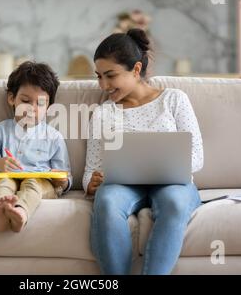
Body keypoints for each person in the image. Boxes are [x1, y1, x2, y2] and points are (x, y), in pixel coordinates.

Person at [83, 28, 204, 275]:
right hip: (122, 185)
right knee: (106, 202)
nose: (103, 85)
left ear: (136, 70)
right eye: (98, 77)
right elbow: (90, 169)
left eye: (110, 75)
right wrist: (91, 182)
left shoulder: (174, 99)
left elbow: (197, 156)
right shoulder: (104, 112)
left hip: (171, 183)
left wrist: (166, 167)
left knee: (174, 203)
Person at [0, 61, 72, 233]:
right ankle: (0, 215)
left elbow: (64, 175)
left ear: (48, 106)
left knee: (32, 184)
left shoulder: (54, 137)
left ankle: (20, 212)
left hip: (41, 183)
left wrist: (62, 181)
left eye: (40, 104)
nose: (32, 109)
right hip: (6, 178)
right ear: (12, 99)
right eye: (25, 101)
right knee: (2, 184)